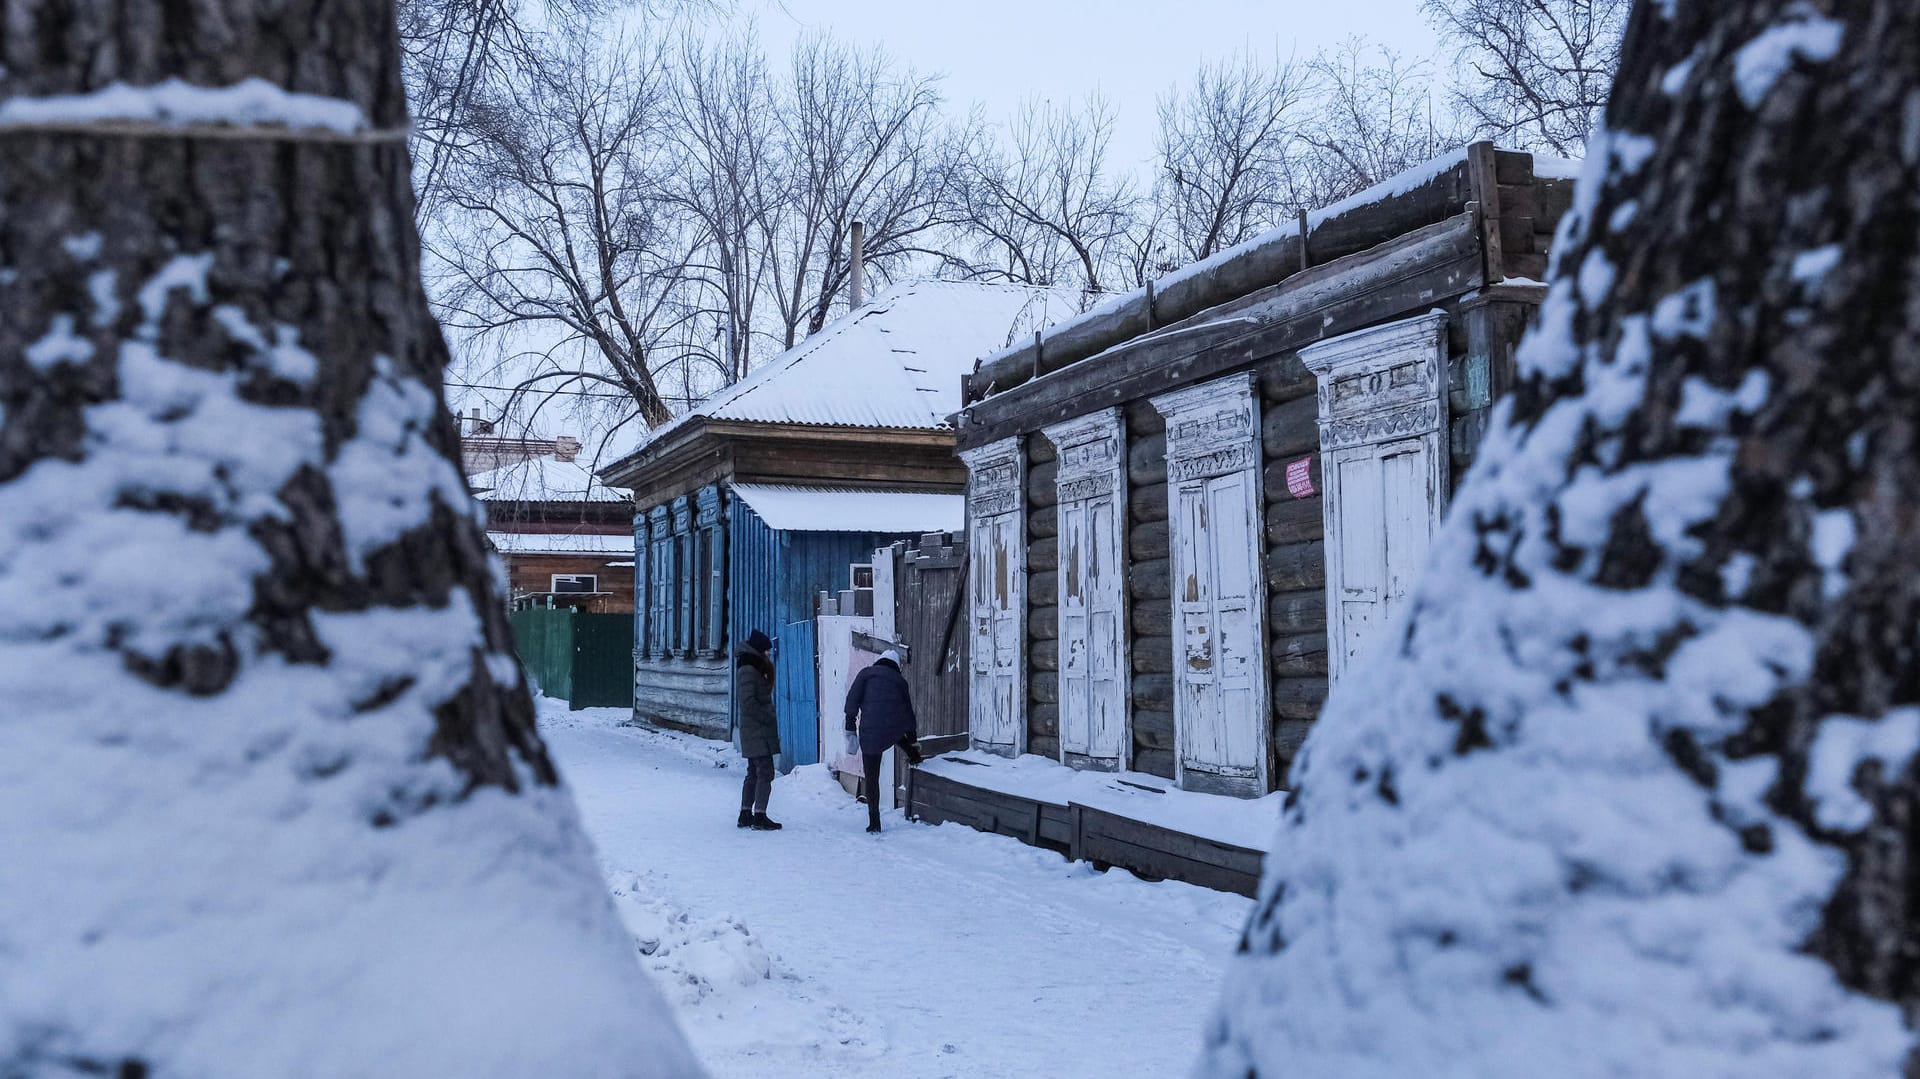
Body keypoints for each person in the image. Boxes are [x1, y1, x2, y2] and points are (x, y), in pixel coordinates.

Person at [843, 648, 922, 834]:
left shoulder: (865, 674)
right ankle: (915, 756)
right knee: (897, 735)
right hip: (891, 729)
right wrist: (913, 741)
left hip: (869, 731)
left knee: (872, 778)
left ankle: (874, 821)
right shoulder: (900, 681)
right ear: (895, 665)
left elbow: (852, 702)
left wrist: (850, 725)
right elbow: (908, 714)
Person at [735, 628, 782, 831]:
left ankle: (746, 814)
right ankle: (759, 816)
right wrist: (767, 716)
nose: (769, 655)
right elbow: (748, 702)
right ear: (758, 651)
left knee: (754, 772)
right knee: (765, 772)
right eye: (767, 652)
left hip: (754, 729)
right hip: (756, 729)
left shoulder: (751, 668)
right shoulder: (748, 670)